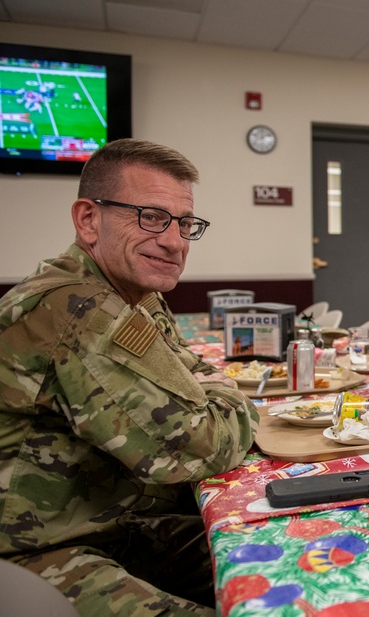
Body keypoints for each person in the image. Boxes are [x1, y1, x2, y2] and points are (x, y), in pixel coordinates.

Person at [0, 138, 259, 616]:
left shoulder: (133, 293)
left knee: (270, 551)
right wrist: (239, 400)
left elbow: (192, 373)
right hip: (37, 551)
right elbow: (194, 446)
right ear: (87, 219)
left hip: (114, 521)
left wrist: (211, 393)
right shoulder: (77, 307)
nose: (175, 241)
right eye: (151, 217)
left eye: (184, 224)